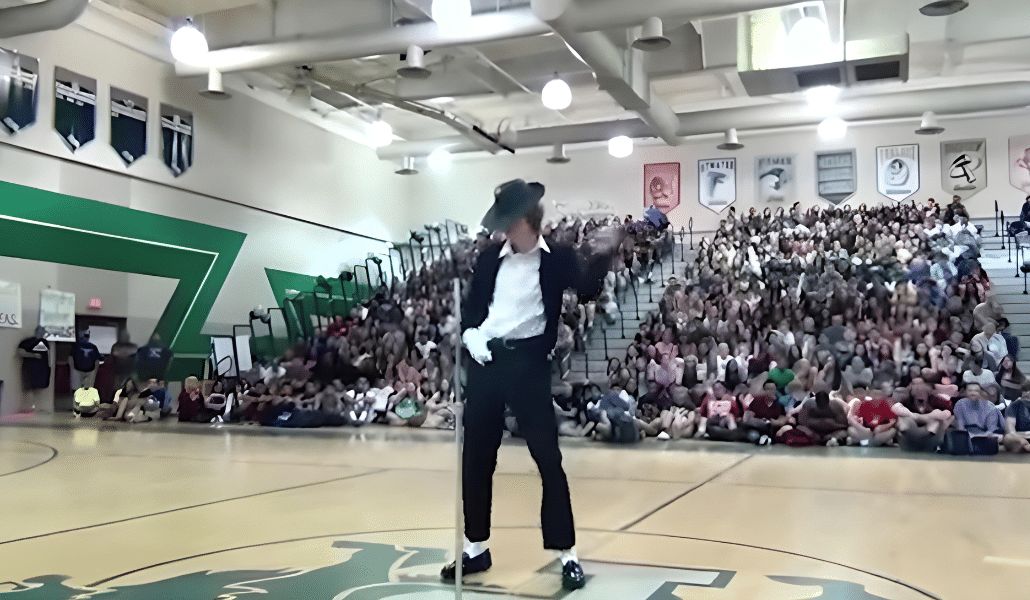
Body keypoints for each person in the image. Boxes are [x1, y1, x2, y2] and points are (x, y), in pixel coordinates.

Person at [443, 179, 618, 590]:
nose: (501, 227)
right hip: (487, 362)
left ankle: (567, 552)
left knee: (548, 458)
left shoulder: (557, 258)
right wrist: (472, 337)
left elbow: (589, 288)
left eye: (507, 219)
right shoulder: (489, 260)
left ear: (525, 218)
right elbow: (472, 312)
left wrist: (605, 252)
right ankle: (475, 548)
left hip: (528, 364)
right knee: (477, 457)